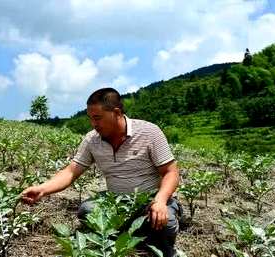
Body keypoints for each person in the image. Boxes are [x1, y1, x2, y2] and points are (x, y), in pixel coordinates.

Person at [21, 87, 180, 256]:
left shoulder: (149, 132)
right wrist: (42, 189)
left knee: (166, 222)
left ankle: (151, 239)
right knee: (87, 210)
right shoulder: (92, 139)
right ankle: (129, 234)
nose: (93, 124)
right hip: (117, 203)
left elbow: (171, 172)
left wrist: (161, 200)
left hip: (150, 201)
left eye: (97, 118)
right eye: (90, 118)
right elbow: (70, 172)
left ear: (116, 112)